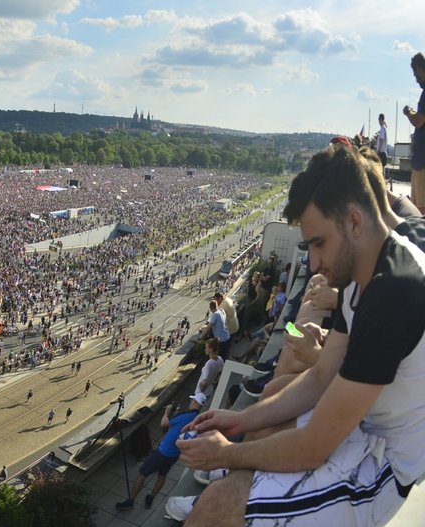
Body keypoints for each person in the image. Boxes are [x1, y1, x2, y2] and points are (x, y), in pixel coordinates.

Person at [169, 143, 425, 526]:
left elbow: (312, 448)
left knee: (218, 505)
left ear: (354, 222)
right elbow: (321, 377)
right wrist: (238, 422)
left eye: (319, 243)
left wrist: (225, 453)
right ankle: (241, 477)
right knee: (271, 398)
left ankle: (232, 483)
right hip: (365, 429)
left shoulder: (394, 292)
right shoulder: (367, 268)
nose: (315, 262)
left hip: (385, 465)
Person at [116, 393, 204, 510]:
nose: (190, 402)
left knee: (142, 474)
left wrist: (167, 413)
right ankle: (150, 498)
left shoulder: (185, 415)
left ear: (195, 403)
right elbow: (177, 426)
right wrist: (174, 415)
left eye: (192, 400)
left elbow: (163, 423)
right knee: (162, 476)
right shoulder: (197, 418)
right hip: (174, 454)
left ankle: (130, 501)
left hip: (163, 452)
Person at [405, 51, 425, 207]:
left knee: (420, 211)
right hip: (419, 161)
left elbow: (419, 121)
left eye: (416, 72)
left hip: (422, 163)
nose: (415, 77)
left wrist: (408, 112)